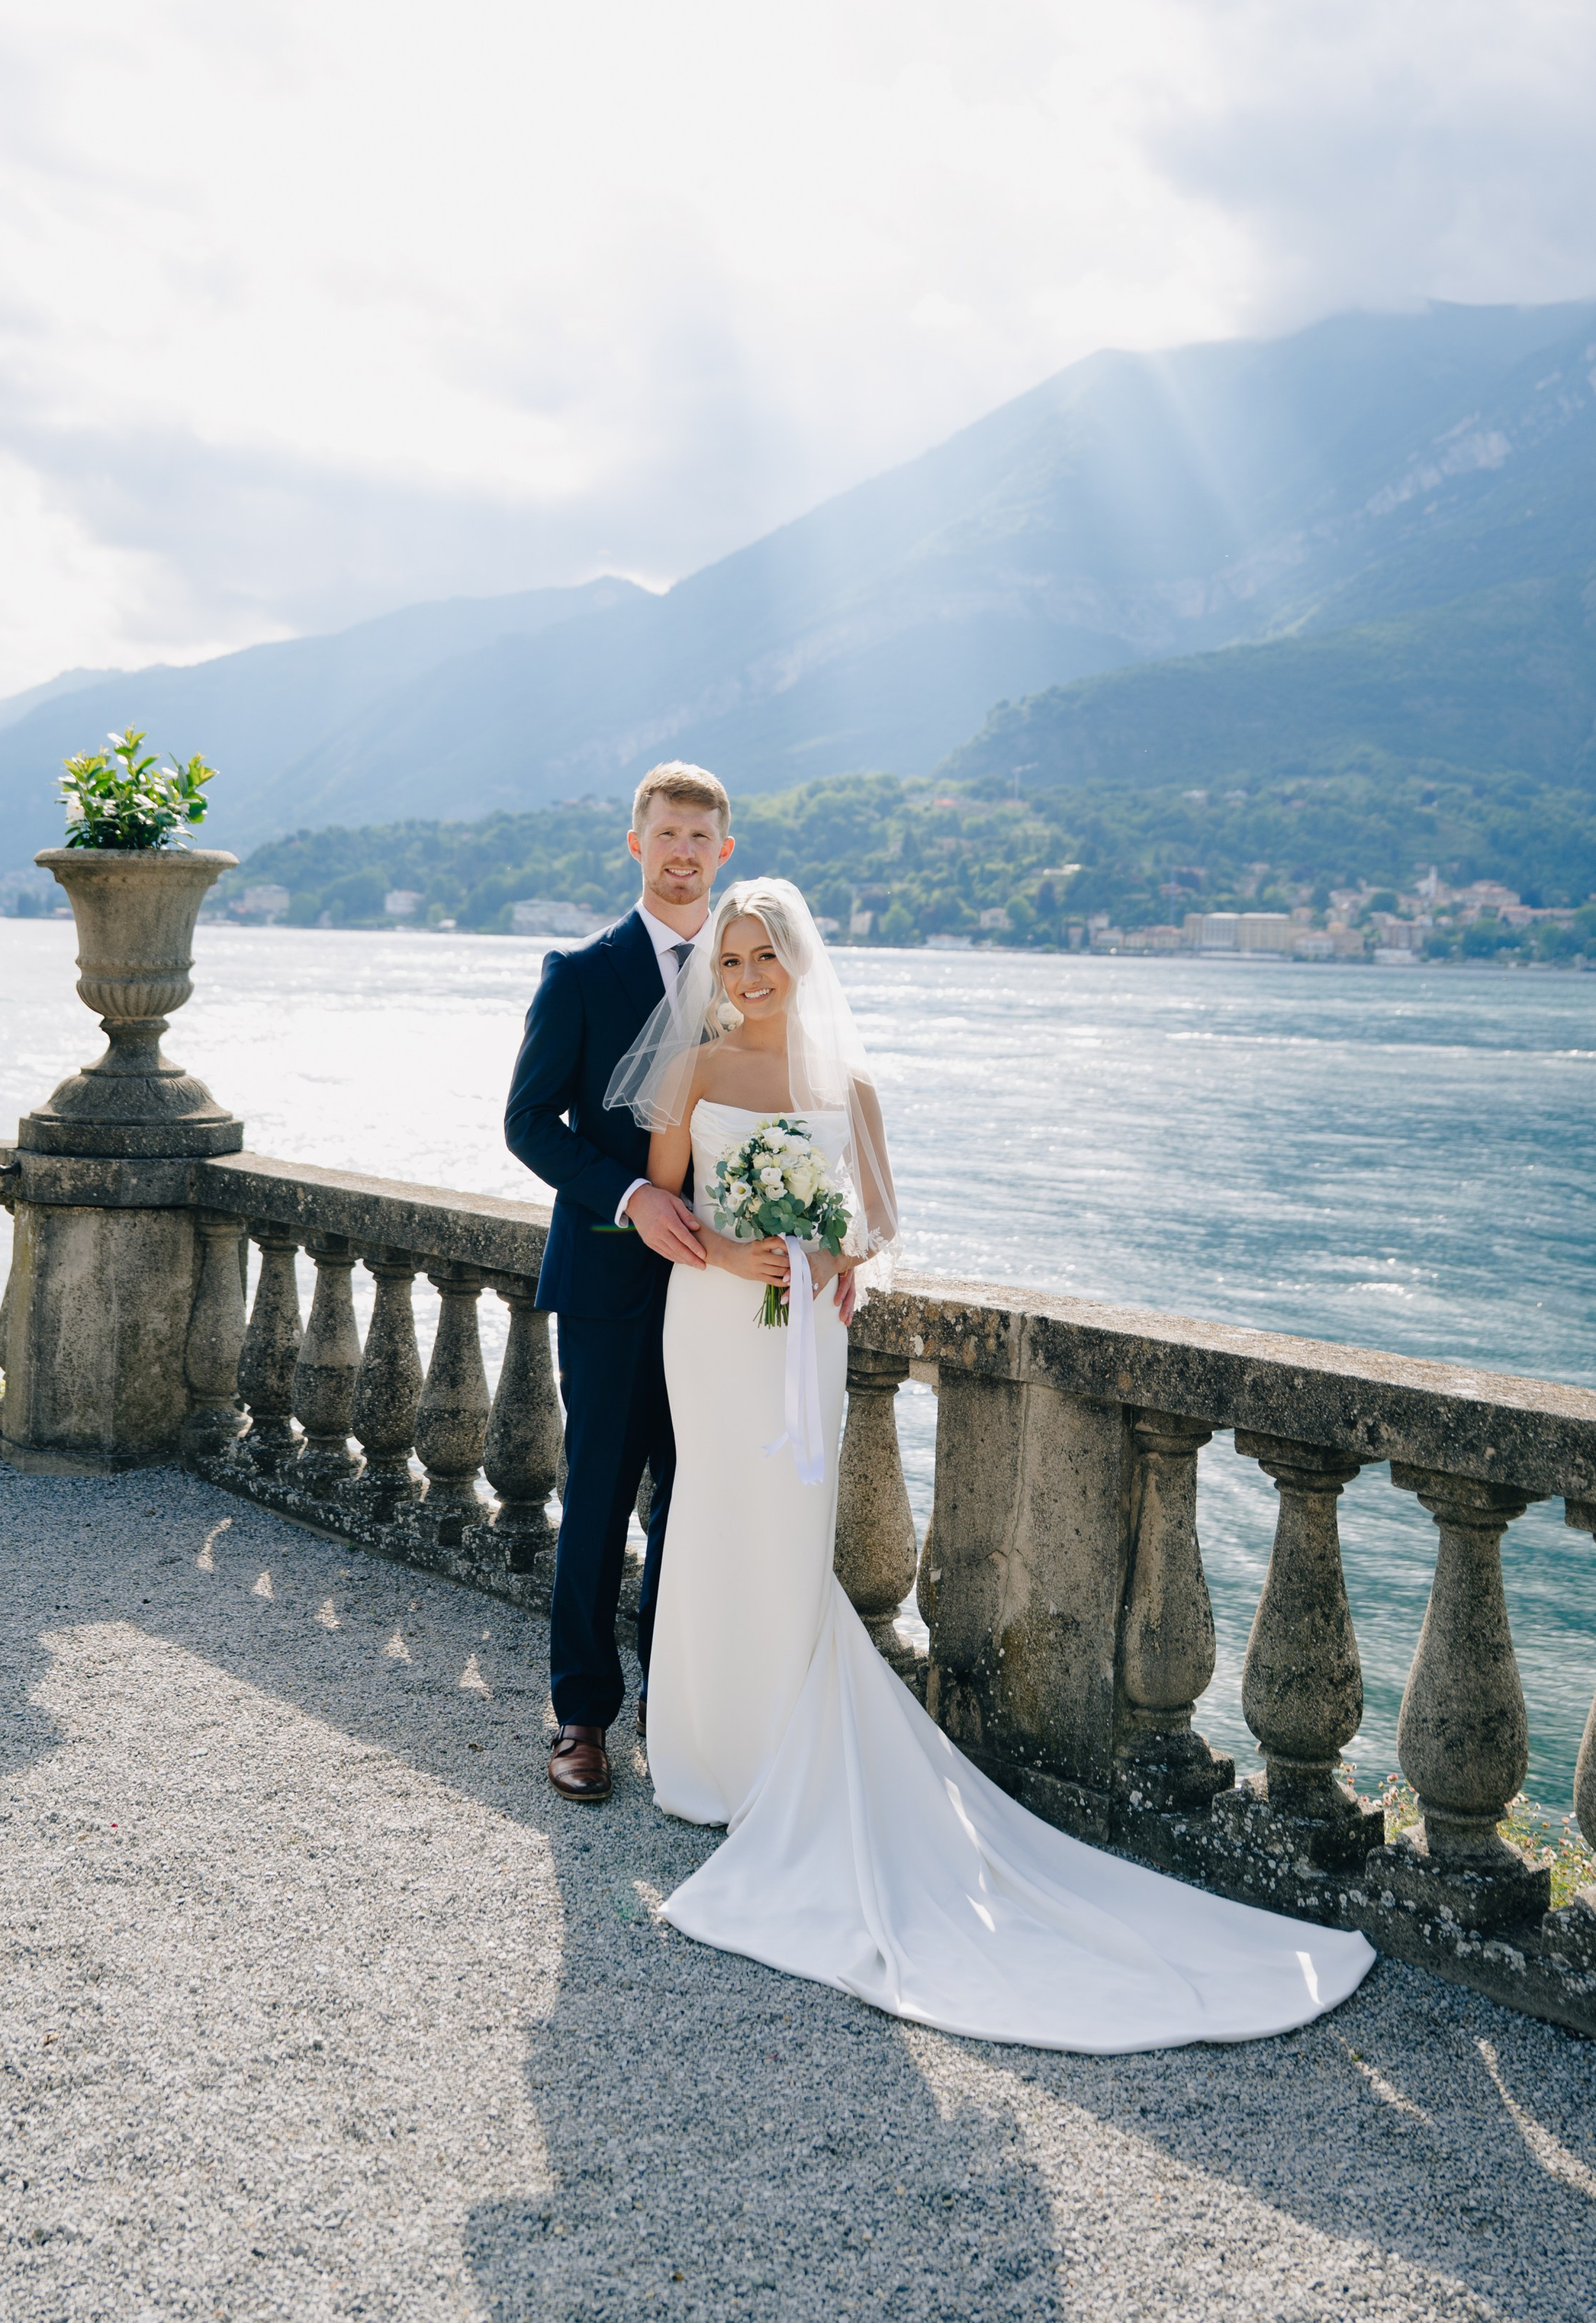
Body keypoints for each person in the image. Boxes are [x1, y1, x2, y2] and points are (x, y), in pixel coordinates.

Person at [607, 877, 1376, 2052]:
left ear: (802, 964)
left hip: (803, 1330)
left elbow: (880, 1220)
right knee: (711, 1511)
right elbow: (661, 1206)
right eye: (734, 959)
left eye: (767, 957)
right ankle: (703, 1758)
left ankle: (777, 1757)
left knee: (789, 1531)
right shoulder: (698, 1073)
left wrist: (824, 1245)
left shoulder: (846, 1086)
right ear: (716, 970)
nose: (750, 977)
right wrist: (730, 1247)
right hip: (712, 1325)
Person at [504, 762, 734, 1804]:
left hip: (722, 1292)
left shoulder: (750, 974)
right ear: (636, 844)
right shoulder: (580, 973)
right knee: (597, 1502)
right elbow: (526, 1124)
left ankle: (670, 1704)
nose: (683, 853)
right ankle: (582, 1716)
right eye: (667, 835)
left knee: (694, 1503)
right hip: (608, 1281)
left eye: (702, 838)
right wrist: (632, 1196)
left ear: (724, 853)